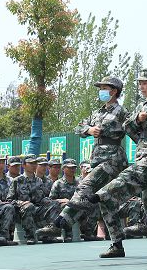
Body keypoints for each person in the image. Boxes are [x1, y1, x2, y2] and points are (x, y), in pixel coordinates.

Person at [88, 68, 147, 258]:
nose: (142, 86)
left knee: (130, 176)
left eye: (145, 83)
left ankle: (103, 193)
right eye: (140, 83)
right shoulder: (139, 107)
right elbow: (127, 126)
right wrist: (137, 119)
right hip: (143, 153)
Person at [36, 76, 129, 244]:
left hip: (113, 159)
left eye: (104, 88)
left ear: (114, 91)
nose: (101, 91)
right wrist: (89, 129)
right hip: (97, 158)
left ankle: (61, 222)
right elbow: (79, 127)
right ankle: (117, 244)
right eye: (100, 88)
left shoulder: (121, 112)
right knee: (105, 202)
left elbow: (133, 129)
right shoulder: (97, 113)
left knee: (85, 186)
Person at [7, 154, 60, 244]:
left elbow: (41, 198)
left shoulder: (39, 180)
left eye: (35, 163)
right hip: (21, 211)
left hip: (37, 208)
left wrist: (50, 202)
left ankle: (48, 233)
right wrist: (21, 203)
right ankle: (30, 236)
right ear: (24, 165)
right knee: (29, 206)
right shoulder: (17, 181)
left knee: (54, 204)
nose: (33, 165)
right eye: (30, 163)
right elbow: (9, 200)